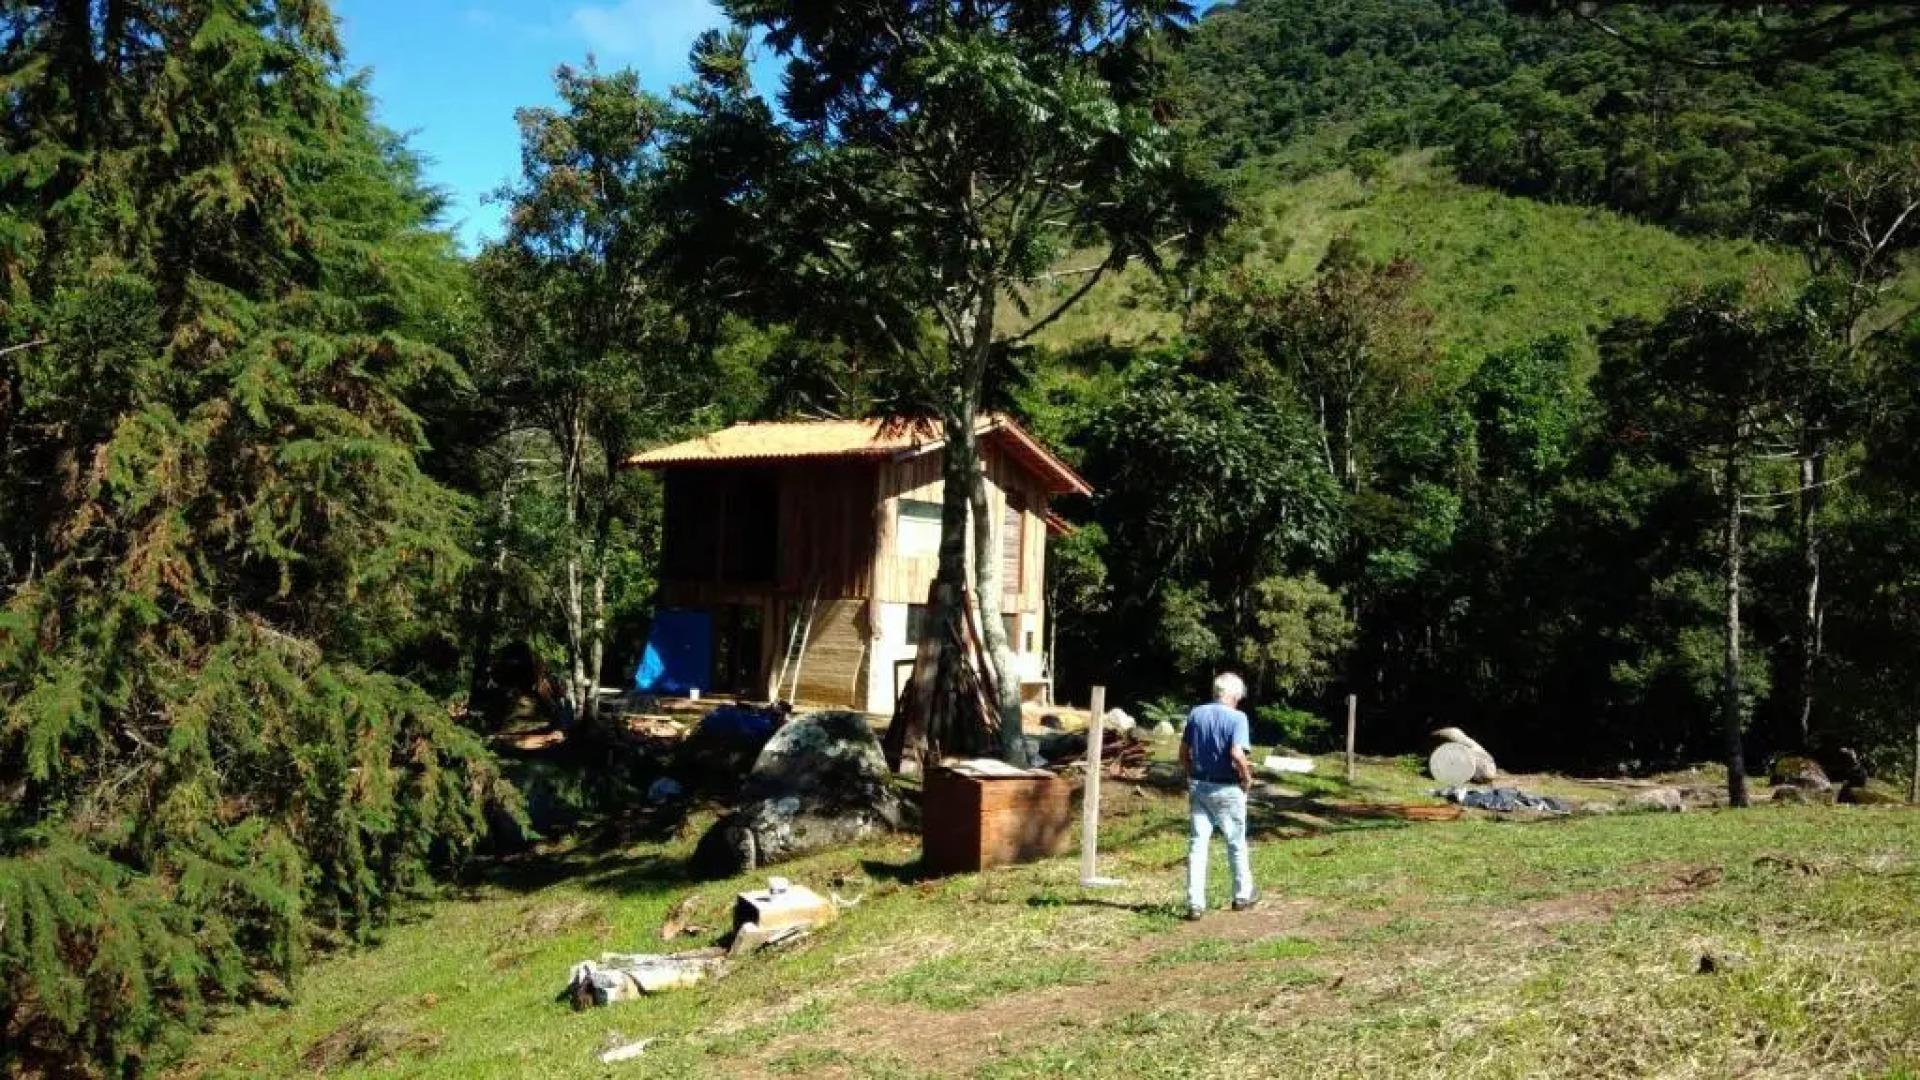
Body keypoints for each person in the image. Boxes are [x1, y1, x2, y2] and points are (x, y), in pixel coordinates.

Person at [1180, 672, 1256, 920]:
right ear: (1233, 695)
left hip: (1201, 786)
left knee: (1197, 845)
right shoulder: (1238, 718)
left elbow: (1183, 753)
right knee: (1235, 842)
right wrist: (1246, 777)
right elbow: (1236, 753)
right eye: (1238, 697)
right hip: (1228, 788)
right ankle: (1242, 895)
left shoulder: (1196, 714)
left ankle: (1195, 903)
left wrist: (1191, 776)